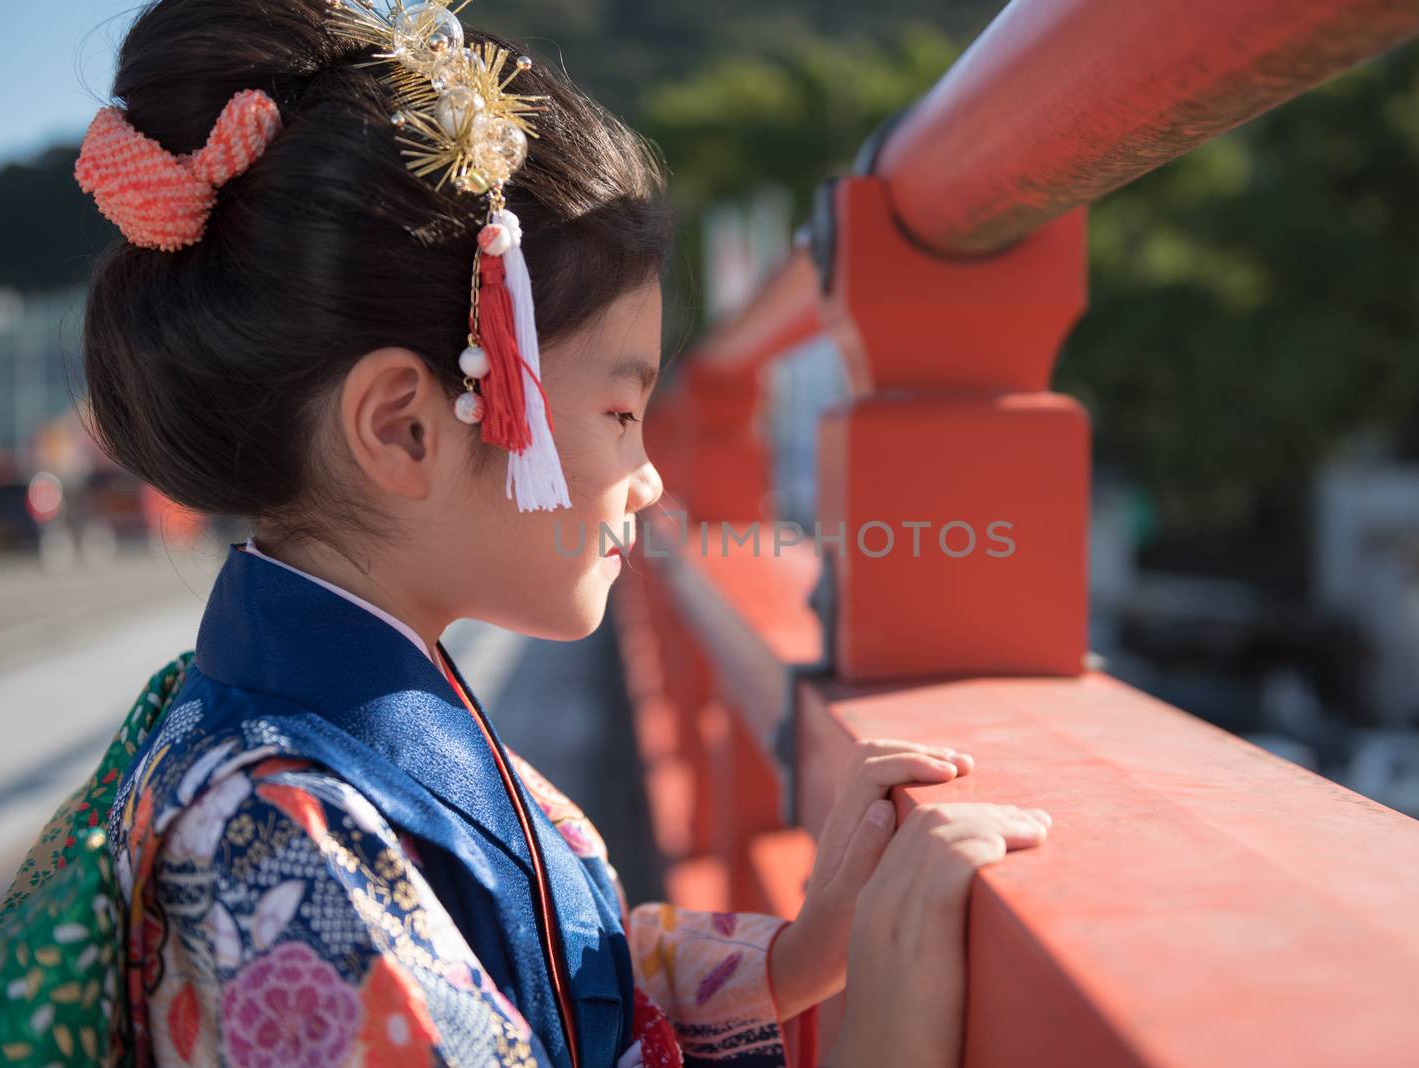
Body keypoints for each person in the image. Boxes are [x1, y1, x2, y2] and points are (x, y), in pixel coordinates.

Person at [79, 2, 1052, 1066]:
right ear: (405, 429)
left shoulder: (308, 737)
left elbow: (551, 967)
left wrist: (808, 948)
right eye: (621, 416)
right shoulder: (277, 845)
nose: (650, 481)